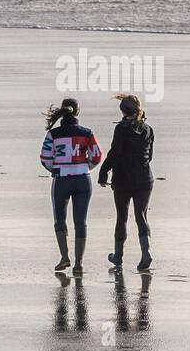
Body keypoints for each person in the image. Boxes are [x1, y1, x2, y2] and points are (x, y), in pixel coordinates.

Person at [40, 98, 102, 274]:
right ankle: (79, 263)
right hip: (83, 179)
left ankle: (64, 257)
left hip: (61, 180)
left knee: (60, 220)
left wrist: (56, 168)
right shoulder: (87, 133)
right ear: (77, 112)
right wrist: (85, 167)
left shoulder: (53, 134)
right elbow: (97, 156)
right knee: (80, 222)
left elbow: (45, 157)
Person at [98, 93, 155, 271]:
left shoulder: (121, 129)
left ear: (122, 110)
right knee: (141, 216)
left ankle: (118, 256)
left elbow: (115, 153)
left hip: (123, 179)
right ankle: (146, 253)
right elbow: (150, 156)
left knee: (122, 217)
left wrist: (103, 171)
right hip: (145, 178)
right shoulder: (148, 129)